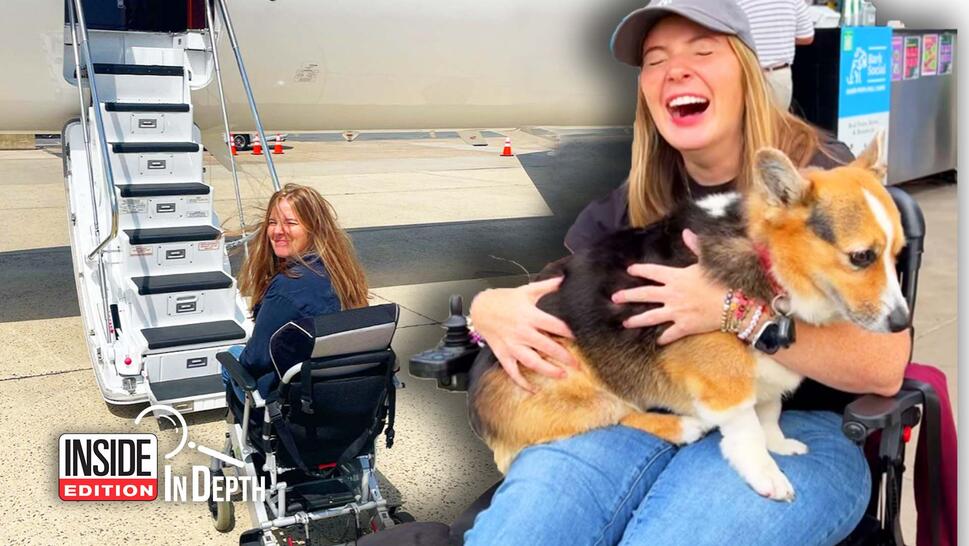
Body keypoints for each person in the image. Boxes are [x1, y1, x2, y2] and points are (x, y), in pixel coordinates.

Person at [464, 0, 910, 544]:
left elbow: (885, 367)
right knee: (521, 535)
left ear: (748, 69)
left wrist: (728, 312)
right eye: (655, 60)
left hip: (801, 424)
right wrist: (486, 310)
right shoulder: (627, 204)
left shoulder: (830, 184)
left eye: (703, 50)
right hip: (639, 414)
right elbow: (556, 306)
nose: (676, 69)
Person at [222, 183, 369, 401]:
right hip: (337, 390)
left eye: (290, 223)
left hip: (293, 399)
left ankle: (244, 430)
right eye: (272, 222)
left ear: (313, 229)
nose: (277, 231)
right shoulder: (340, 272)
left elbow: (255, 360)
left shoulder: (288, 286)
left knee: (232, 356)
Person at [737, 0, 816, 110]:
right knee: (777, 124)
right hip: (779, 75)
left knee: (748, 125)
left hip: (749, 73)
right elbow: (807, 37)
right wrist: (783, 38)